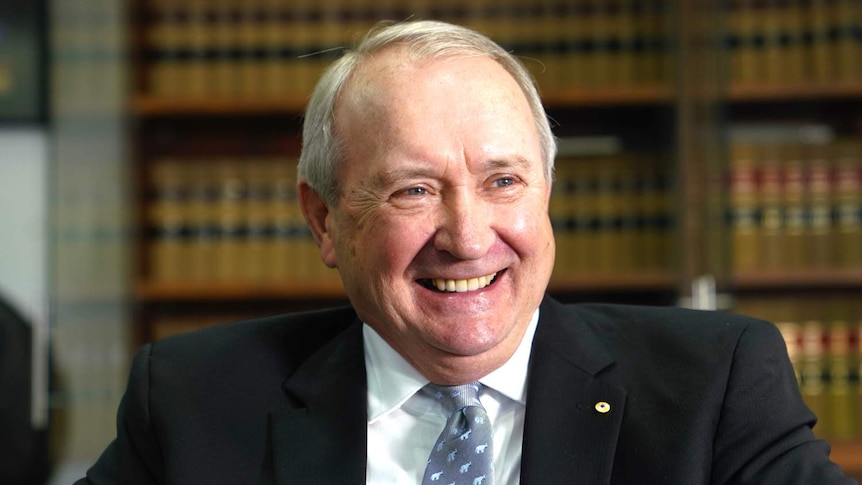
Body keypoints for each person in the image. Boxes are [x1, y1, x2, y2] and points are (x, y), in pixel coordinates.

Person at [77, 20, 856, 484]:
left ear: (547, 192)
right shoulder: (191, 402)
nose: (469, 236)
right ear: (323, 220)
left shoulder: (715, 386)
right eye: (413, 190)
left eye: (503, 180)